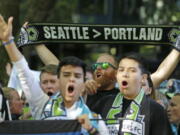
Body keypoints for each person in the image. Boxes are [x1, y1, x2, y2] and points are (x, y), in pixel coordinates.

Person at [0, 15, 108, 134]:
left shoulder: (95, 119)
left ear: (83, 84)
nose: (71, 80)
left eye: (77, 77)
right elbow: (23, 70)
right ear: (60, 80)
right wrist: (8, 42)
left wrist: (92, 130)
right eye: (66, 76)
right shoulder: (41, 102)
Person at [94, 52, 172, 135]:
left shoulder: (155, 109)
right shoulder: (103, 103)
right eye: (121, 70)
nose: (125, 74)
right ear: (116, 75)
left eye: (132, 70)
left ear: (143, 78)